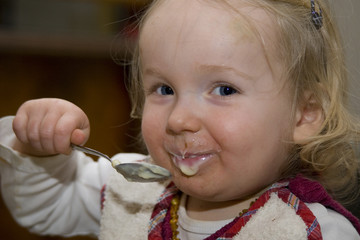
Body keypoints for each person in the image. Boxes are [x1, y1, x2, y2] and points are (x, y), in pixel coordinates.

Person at [0, 0, 359, 239]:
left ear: (305, 114)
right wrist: (37, 148)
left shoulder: (314, 231)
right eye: (164, 89)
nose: (179, 119)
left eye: (224, 90)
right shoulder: (132, 191)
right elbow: (44, 206)